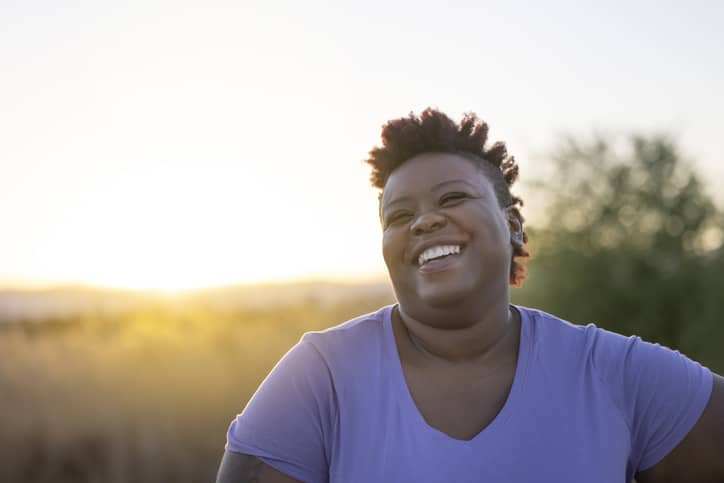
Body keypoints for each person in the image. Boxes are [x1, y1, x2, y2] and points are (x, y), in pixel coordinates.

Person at [216, 108, 724, 483]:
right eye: (398, 216)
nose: (425, 220)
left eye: (452, 197)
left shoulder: (614, 371)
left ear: (514, 226)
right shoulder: (320, 375)